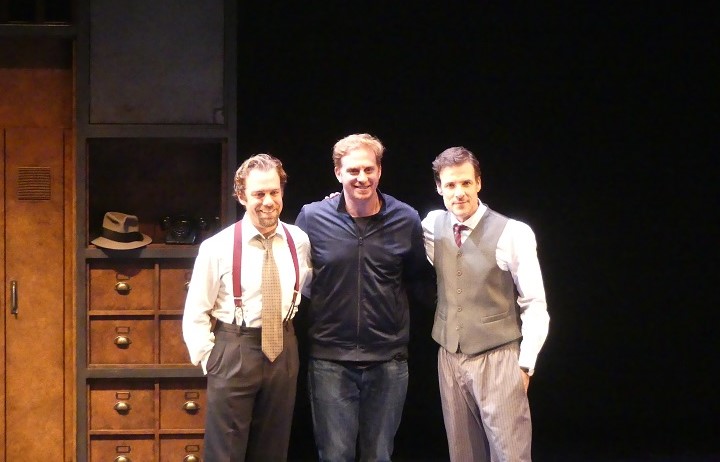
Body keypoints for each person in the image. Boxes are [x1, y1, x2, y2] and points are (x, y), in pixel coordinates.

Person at [295, 133, 433, 462]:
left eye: (369, 169)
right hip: (330, 360)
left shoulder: (406, 218)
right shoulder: (312, 218)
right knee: (335, 456)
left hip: (388, 360)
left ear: (380, 171)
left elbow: (420, 279)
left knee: (379, 456)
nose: (362, 178)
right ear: (338, 173)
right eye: (353, 170)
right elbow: (297, 278)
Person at [421, 146, 550, 462]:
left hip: (498, 356)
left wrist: (525, 364)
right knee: (463, 454)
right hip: (450, 355)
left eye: (466, 183)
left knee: (510, 455)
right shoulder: (432, 225)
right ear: (439, 188)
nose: (459, 193)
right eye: (451, 185)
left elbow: (534, 303)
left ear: (479, 182)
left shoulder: (513, 233)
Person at [182, 153, 312, 461]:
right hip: (235, 347)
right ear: (242, 196)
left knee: (273, 449)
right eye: (258, 194)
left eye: (274, 192)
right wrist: (210, 360)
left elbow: (306, 283)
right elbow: (197, 310)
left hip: (283, 347)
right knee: (225, 452)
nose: (268, 201)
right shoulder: (217, 247)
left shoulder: (298, 240)